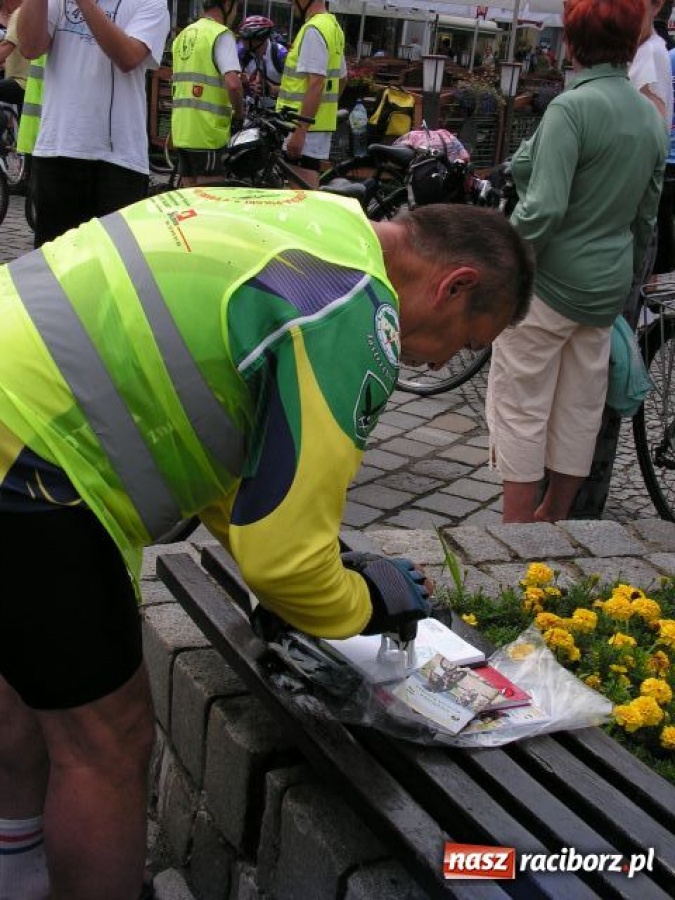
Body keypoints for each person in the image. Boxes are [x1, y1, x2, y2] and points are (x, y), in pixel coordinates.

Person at [0, 188, 533, 900]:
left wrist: (323, 563)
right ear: (454, 284)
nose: (438, 365)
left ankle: (17, 866)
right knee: (108, 741)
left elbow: (228, 453)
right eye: (464, 341)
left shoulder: (315, 218)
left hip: (18, 397)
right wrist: (365, 601)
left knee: (33, 681)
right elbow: (281, 562)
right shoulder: (352, 306)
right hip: (31, 460)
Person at [486, 0, 668, 524]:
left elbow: (543, 208)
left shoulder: (570, 108)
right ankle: (554, 515)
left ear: (570, 43)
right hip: (605, 288)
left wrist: (505, 263)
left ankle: (516, 529)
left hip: (548, 284)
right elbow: (645, 216)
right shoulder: (649, 116)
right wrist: (623, 277)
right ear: (633, 43)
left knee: (520, 405)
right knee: (581, 404)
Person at [17, 0, 169, 249]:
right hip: (58, 149)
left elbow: (128, 57)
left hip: (118, 160)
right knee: (55, 268)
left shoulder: (151, 2)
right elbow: (30, 48)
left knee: (112, 266)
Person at [171, 0, 244, 187]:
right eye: (237, 7)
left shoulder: (182, 36)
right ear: (227, 4)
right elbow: (233, 84)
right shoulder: (221, 34)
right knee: (209, 198)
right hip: (207, 133)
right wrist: (239, 113)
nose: (236, 12)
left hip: (182, 131)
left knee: (189, 197)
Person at [276, 0, 347, 188]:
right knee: (305, 191)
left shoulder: (313, 29)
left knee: (302, 196)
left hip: (302, 128)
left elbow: (316, 83)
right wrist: (323, 110)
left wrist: (300, 131)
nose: (291, 2)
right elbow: (342, 79)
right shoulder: (332, 26)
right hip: (313, 125)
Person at [630, 0, 675, 274]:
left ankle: (658, 273)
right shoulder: (663, 55)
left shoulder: (660, 55)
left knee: (660, 214)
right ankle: (660, 273)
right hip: (665, 152)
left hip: (663, 153)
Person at [238, 14, 287, 107]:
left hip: (275, 112)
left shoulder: (280, 54)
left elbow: (296, 91)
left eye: (245, 38)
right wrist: (244, 84)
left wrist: (271, 89)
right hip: (251, 109)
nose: (241, 41)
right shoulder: (242, 52)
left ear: (257, 39)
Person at [0, 0, 28, 116]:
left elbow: (7, 47)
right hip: (31, 85)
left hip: (20, 83)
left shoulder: (19, 14)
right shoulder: (31, 14)